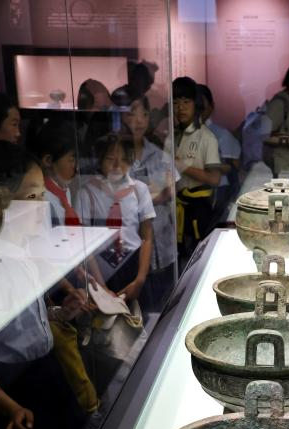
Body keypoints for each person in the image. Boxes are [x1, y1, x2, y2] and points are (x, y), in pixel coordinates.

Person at [83, 133, 155, 305]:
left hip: (133, 263)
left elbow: (147, 237)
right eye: (110, 159)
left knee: (136, 314)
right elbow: (84, 244)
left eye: (123, 159)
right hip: (100, 266)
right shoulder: (88, 192)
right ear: (100, 160)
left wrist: (140, 279)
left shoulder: (139, 190)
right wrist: (101, 286)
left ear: (130, 162)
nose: (117, 165)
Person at [122, 95, 177, 307]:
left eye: (144, 115)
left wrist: (157, 194)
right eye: (132, 115)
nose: (139, 121)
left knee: (165, 304)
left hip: (163, 244)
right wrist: (155, 194)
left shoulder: (157, 151)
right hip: (129, 250)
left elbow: (171, 190)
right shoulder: (115, 156)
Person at [167, 76, 220, 261]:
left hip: (198, 210)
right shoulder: (172, 136)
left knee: (196, 260)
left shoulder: (207, 137)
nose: (180, 108)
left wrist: (181, 165)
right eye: (175, 102)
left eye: (186, 102)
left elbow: (215, 179)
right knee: (178, 259)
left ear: (196, 104)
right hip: (174, 207)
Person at [197, 84, 242, 224]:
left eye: (202, 106)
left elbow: (234, 167)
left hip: (216, 196)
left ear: (211, 107)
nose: (198, 111)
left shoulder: (222, 136)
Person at [33, 122, 88, 227]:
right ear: (48, 161)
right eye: (71, 160)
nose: (76, 167)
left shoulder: (65, 191)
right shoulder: (41, 199)